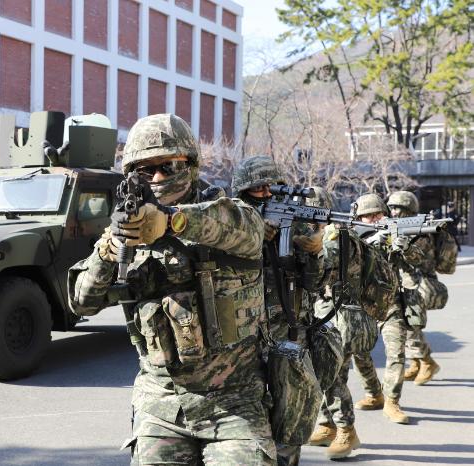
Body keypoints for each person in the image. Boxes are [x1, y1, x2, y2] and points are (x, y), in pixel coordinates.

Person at [68, 114, 276, 465]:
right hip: (162, 403)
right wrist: (109, 248)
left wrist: (172, 220)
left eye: (169, 166)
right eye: (145, 171)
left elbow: (246, 229)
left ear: (191, 165)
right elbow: (82, 303)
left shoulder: (225, 212)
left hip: (235, 403)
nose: (158, 178)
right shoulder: (127, 230)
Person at [231, 156, 325, 466]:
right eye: (257, 189)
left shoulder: (291, 220)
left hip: (286, 328)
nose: (266, 193)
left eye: (272, 187)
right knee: (250, 414)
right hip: (240, 333)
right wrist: (255, 236)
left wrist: (313, 255)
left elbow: (313, 284)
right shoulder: (231, 223)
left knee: (290, 408)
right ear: (242, 192)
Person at [306, 187, 371, 460]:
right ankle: (326, 425)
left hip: (338, 315)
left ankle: (347, 430)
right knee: (329, 373)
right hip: (326, 312)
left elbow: (320, 270)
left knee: (331, 376)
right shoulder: (329, 234)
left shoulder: (334, 237)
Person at [351, 193, 418, 424]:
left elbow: (418, 260)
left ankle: (392, 401)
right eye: (368, 216)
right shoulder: (351, 238)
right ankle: (373, 393)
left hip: (390, 304)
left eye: (379, 213)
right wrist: (370, 243)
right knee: (359, 353)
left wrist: (405, 248)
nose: (375, 218)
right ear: (359, 218)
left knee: (396, 353)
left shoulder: (394, 234)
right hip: (362, 305)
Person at [387, 191, 440, 385]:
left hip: (416, 285)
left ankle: (428, 363)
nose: (392, 212)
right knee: (407, 325)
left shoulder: (420, 231)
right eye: (391, 207)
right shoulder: (399, 227)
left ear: (408, 210)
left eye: (396, 208)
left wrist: (405, 247)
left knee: (412, 327)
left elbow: (419, 258)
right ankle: (416, 363)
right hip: (403, 283)